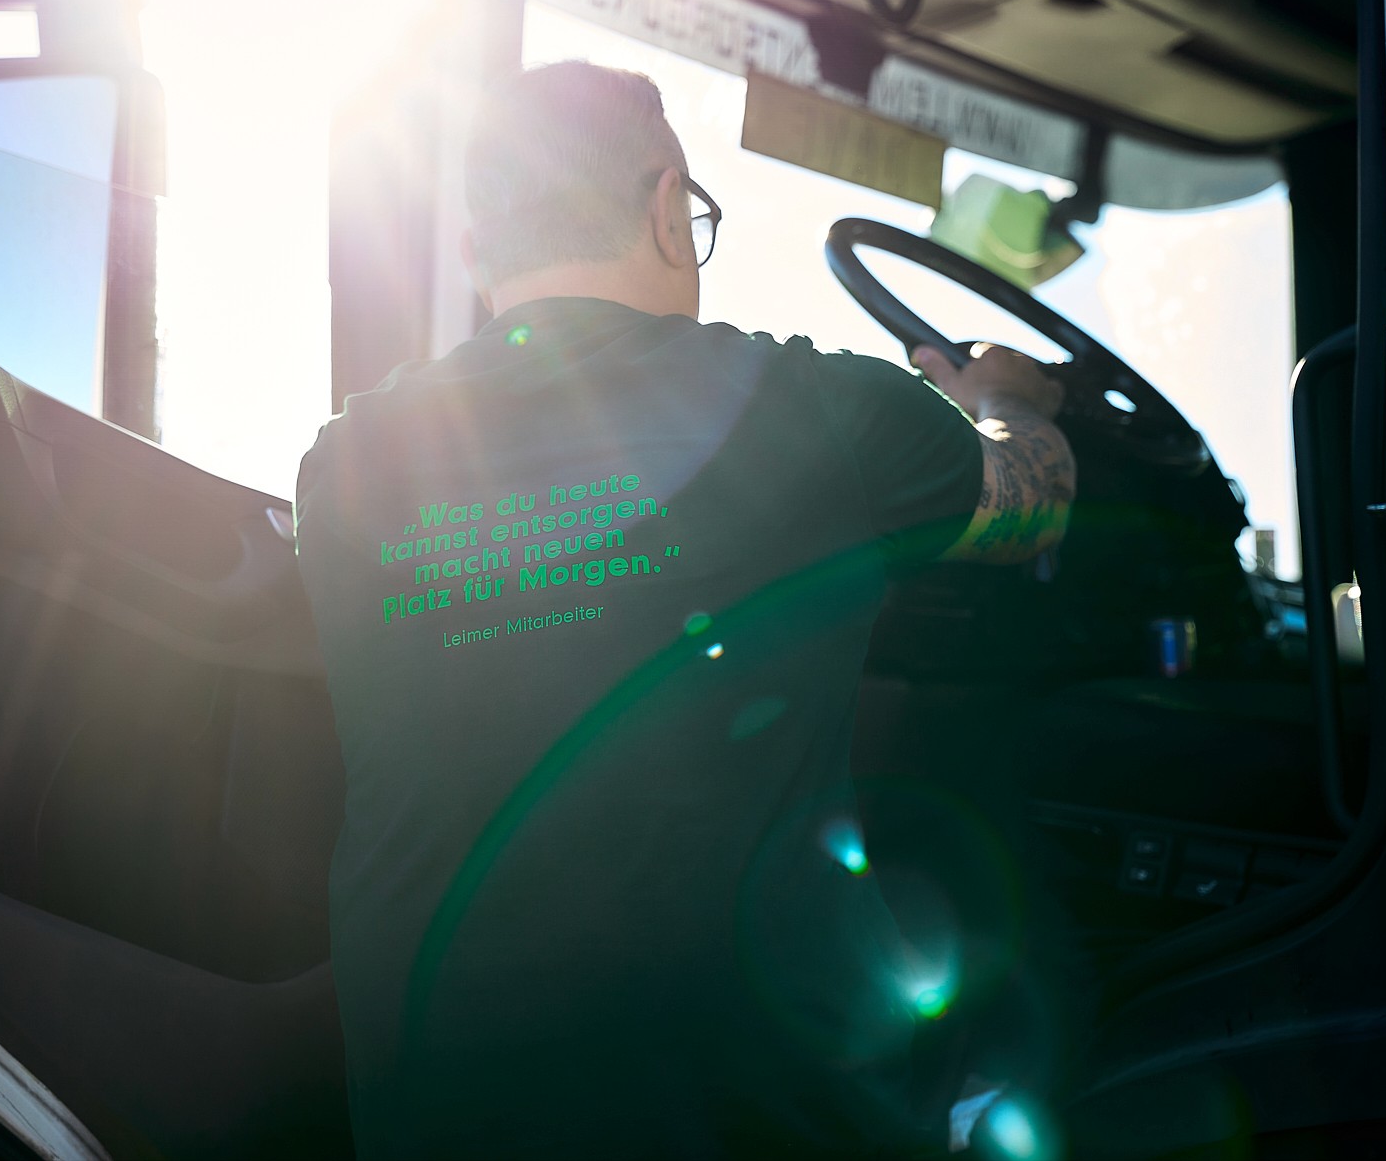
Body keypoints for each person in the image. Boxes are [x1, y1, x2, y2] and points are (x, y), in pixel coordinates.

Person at [294, 61, 1076, 1158]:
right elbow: (1029, 508)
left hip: (429, 1111)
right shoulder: (822, 411)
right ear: (667, 209)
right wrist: (998, 400)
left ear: (477, 253)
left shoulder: (341, 469)